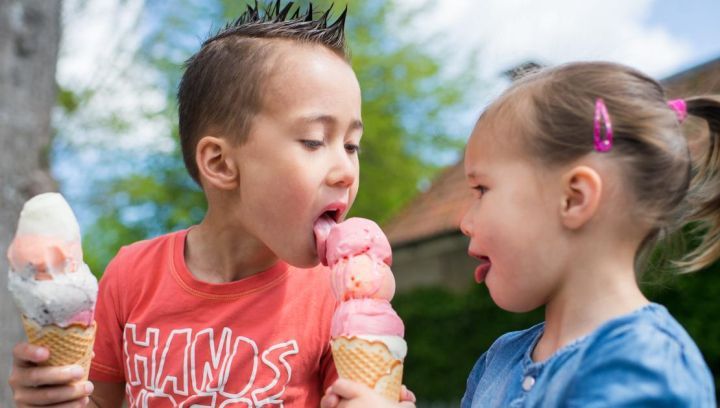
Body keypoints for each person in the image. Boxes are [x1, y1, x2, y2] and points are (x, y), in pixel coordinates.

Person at [10, 2, 364, 406]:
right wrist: (52, 395)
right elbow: (96, 400)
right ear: (220, 163)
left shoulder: (338, 298)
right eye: (315, 140)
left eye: (352, 145)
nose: (346, 170)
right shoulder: (132, 275)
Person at [323, 61, 719, 407]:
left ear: (574, 199)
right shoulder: (501, 359)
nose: (464, 221)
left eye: (481, 190)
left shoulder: (643, 365)